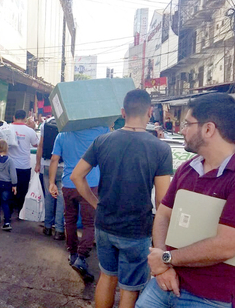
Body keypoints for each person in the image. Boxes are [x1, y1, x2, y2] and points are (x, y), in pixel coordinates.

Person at [136, 93, 235, 308]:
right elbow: (164, 213)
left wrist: (165, 259)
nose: (182, 130)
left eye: (187, 124)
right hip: (166, 282)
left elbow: (225, 246)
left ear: (208, 129)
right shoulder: (188, 168)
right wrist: (164, 267)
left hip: (211, 297)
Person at [71, 89, 173, 308]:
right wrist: (161, 239)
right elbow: (162, 201)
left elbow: (76, 176)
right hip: (137, 230)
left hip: (105, 224)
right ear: (150, 112)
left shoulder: (102, 141)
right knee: (129, 288)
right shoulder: (161, 148)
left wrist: (96, 203)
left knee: (107, 276)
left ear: (122, 112)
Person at [49, 125, 109, 283]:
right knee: (90, 223)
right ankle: (81, 257)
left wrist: (51, 183)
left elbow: (54, 159)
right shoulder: (101, 130)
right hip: (91, 184)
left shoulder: (62, 133)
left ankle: (73, 253)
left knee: (69, 220)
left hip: (68, 183)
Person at [35, 116, 65, 240]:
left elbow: (40, 146)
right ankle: (59, 230)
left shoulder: (45, 124)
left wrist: (38, 163)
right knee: (61, 198)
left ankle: (47, 227)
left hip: (47, 164)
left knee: (49, 195)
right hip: (63, 165)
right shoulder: (66, 122)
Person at [6, 110, 39, 217]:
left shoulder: (7, 128)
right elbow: (36, 144)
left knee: (9, 188)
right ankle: (20, 211)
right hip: (24, 166)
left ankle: (8, 211)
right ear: (25, 118)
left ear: (14, 117)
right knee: (22, 189)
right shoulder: (29, 131)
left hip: (9, 165)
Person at [0, 139, 17, 231]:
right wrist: (14, 185)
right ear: (6, 148)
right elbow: (13, 174)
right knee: (5, 203)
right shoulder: (10, 161)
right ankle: (7, 222)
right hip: (6, 184)